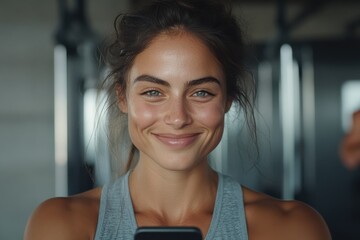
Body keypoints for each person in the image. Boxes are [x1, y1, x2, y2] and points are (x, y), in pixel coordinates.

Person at [24, 0, 332, 239]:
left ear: (228, 99)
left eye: (200, 93)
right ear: (122, 97)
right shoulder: (60, 224)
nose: (177, 118)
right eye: (154, 92)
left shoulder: (294, 228)